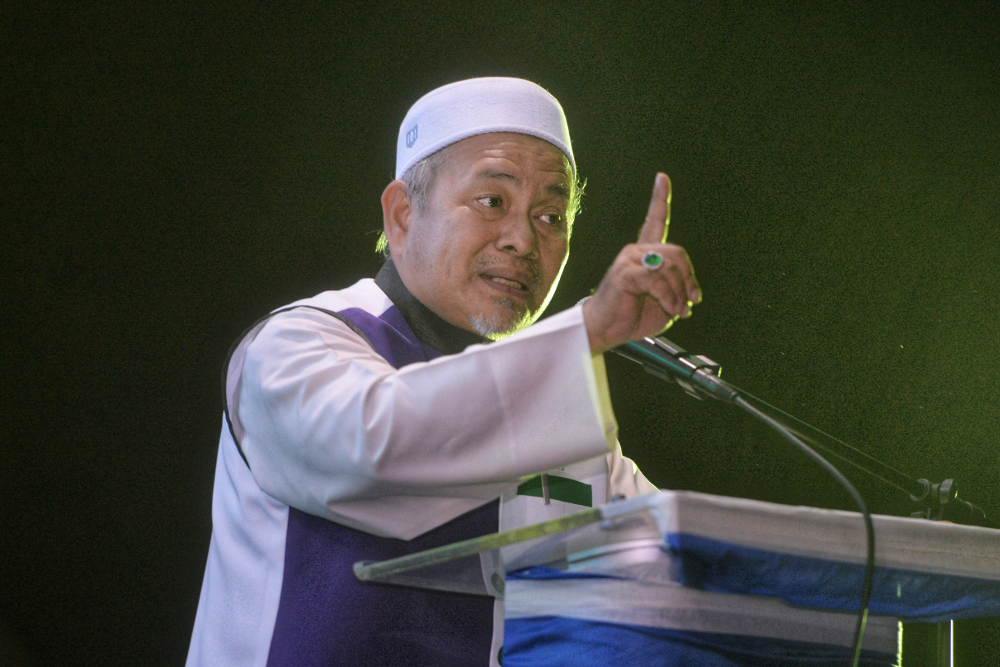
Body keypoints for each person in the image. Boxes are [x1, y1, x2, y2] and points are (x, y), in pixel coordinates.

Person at [186, 77, 701, 667]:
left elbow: (684, 562)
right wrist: (585, 330)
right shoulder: (297, 343)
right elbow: (377, 447)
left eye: (552, 216)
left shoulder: (557, 407)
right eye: (492, 202)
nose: (523, 241)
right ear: (403, 215)